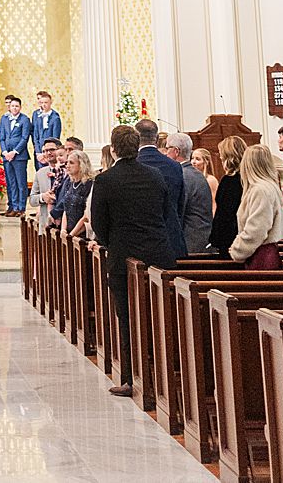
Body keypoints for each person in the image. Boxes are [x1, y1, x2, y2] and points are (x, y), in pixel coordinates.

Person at [90, 124, 174, 396]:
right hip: (158, 253)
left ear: (113, 149)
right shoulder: (155, 175)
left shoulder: (105, 180)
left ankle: (129, 378)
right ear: (137, 147)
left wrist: (110, 243)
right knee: (161, 315)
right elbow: (164, 211)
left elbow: (99, 223)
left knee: (126, 317)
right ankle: (165, 376)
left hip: (123, 255)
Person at [133, 118, 187, 261]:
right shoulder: (175, 166)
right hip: (170, 239)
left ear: (136, 138)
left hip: (139, 243)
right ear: (156, 138)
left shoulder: (132, 165)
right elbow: (180, 204)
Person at [229, 144, 283, 269]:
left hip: (261, 256)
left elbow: (257, 228)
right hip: (263, 252)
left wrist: (237, 250)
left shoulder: (260, 190)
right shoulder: (268, 186)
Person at [166, 132, 212, 255]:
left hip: (191, 242)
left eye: (167, 148)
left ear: (176, 151)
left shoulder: (183, 176)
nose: (165, 153)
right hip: (200, 238)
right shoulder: (195, 174)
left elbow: (179, 212)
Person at [0, 94, 31, 214]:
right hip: (6, 156)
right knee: (10, 183)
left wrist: (14, 152)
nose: (15, 108)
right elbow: (1, 137)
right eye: (12, 106)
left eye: (17, 106)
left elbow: (24, 137)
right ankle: (12, 206)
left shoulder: (25, 119)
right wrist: (5, 152)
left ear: (20, 107)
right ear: (9, 107)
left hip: (19, 156)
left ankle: (20, 208)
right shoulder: (4, 119)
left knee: (20, 182)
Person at [58, 145, 94, 239]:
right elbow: (66, 209)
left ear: (81, 164)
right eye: (67, 163)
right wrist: (63, 230)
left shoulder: (89, 184)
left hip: (82, 234)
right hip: (68, 232)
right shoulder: (70, 183)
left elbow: (86, 215)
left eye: (71, 163)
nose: (67, 166)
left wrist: (72, 235)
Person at [28, 138, 63, 230]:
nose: (48, 153)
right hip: (45, 225)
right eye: (45, 151)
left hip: (64, 223)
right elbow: (32, 200)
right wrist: (43, 197)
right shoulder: (40, 173)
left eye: (51, 150)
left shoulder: (68, 171)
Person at [29, 90, 63, 162]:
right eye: (42, 103)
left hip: (50, 152)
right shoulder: (37, 116)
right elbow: (35, 135)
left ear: (50, 102)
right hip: (38, 153)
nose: (44, 105)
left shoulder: (55, 117)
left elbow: (55, 137)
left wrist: (46, 152)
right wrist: (38, 152)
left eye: (46, 102)